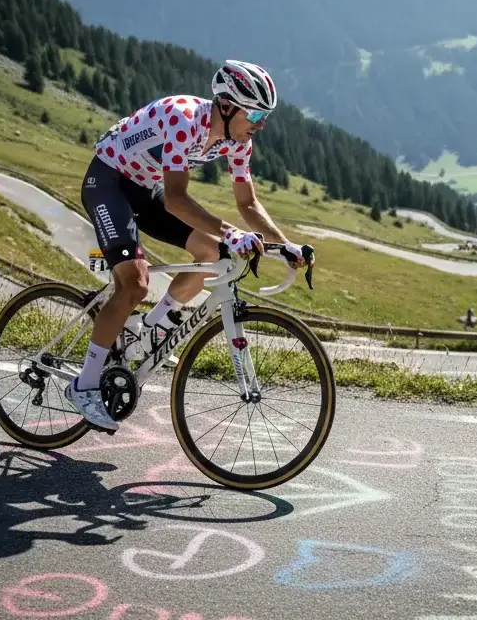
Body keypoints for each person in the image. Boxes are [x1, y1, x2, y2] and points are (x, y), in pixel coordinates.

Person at [72, 59, 313, 432]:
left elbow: (247, 203)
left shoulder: (237, 142)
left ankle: (148, 329)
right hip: (109, 182)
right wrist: (233, 233)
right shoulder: (184, 119)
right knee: (134, 283)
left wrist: (286, 245)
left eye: (266, 114)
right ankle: (85, 386)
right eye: (256, 112)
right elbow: (176, 200)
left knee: (212, 253)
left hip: (144, 189)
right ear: (227, 105)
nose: (261, 123)